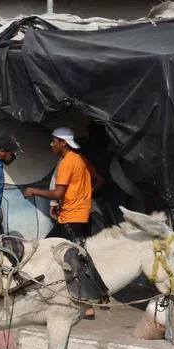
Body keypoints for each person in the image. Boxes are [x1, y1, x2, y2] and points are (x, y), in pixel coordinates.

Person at [25, 127, 105, 318]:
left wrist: (34, 191)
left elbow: (58, 193)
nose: (51, 144)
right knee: (70, 255)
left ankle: (89, 303)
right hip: (75, 214)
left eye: (54, 141)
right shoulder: (80, 159)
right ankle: (93, 297)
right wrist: (83, 196)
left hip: (72, 217)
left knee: (69, 258)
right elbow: (99, 180)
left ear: (63, 143)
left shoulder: (68, 162)